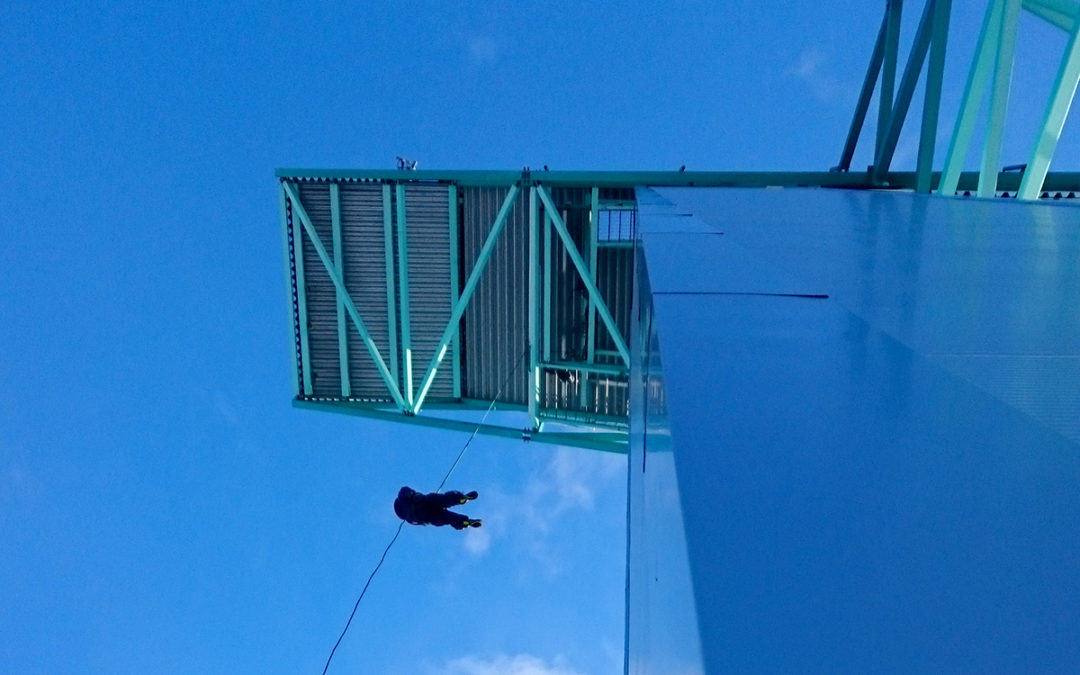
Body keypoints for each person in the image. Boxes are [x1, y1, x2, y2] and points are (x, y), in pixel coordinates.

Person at [393, 486, 481, 529]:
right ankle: (460, 498)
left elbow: (418, 522)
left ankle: (464, 522)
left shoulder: (409, 518)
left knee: (449, 518)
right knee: (446, 499)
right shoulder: (403, 502)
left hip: (428, 517)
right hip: (427, 503)